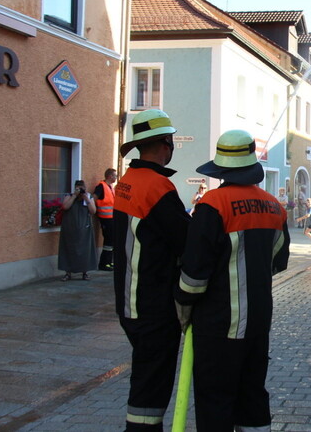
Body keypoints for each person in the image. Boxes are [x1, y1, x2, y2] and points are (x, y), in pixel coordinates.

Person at [174, 130, 289, 432]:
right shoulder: (275, 207)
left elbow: (194, 274)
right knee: (252, 395)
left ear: (221, 168)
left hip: (218, 324)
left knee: (215, 400)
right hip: (258, 321)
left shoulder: (212, 205)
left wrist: (184, 309)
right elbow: (278, 261)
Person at [113, 108, 190, 430]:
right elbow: (185, 240)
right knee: (151, 387)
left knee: (145, 376)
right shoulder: (157, 187)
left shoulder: (128, 181)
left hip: (130, 301)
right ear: (165, 144)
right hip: (153, 305)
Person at [58, 180, 97, 281]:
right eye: (78, 188)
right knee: (68, 250)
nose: (80, 190)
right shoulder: (69, 196)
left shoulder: (89, 197)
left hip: (85, 228)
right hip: (70, 228)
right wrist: (74, 196)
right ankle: (68, 273)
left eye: (82, 188)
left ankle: (85, 273)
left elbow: (93, 211)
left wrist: (85, 197)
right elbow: (65, 207)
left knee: (85, 251)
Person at [94, 168, 117, 271]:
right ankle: (104, 263)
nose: (116, 177)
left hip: (111, 218)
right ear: (109, 176)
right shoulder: (101, 186)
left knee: (111, 240)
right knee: (109, 240)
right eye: (115, 176)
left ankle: (108, 262)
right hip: (105, 218)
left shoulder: (110, 187)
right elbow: (94, 197)